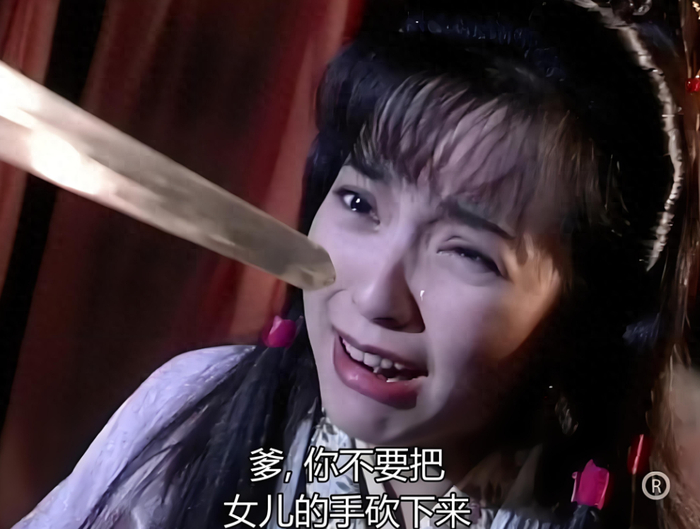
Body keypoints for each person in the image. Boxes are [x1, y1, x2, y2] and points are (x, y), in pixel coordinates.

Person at [11, 0, 697, 528]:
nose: (372, 296)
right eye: (361, 202)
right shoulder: (192, 408)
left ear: (583, 316)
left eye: (467, 252)